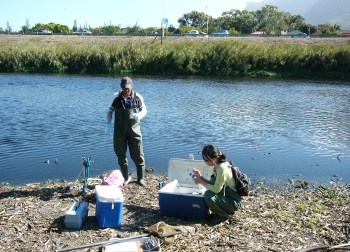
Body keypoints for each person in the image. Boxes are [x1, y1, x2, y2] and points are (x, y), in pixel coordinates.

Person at [106, 77, 147, 186]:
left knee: (138, 153)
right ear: (121, 87)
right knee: (120, 154)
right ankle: (124, 178)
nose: (126, 91)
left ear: (131, 87)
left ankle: (140, 178)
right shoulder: (116, 98)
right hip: (119, 130)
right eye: (124, 88)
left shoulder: (138, 97)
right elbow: (109, 111)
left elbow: (145, 110)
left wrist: (139, 115)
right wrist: (108, 123)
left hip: (134, 130)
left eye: (128, 88)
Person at [192, 145, 241, 225]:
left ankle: (223, 215)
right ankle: (223, 211)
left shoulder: (221, 168)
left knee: (208, 194)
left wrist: (200, 182)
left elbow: (216, 189)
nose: (205, 161)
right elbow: (213, 184)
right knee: (209, 190)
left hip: (233, 202)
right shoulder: (218, 165)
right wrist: (200, 177)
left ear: (214, 159)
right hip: (227, 197)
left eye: (205, 159)